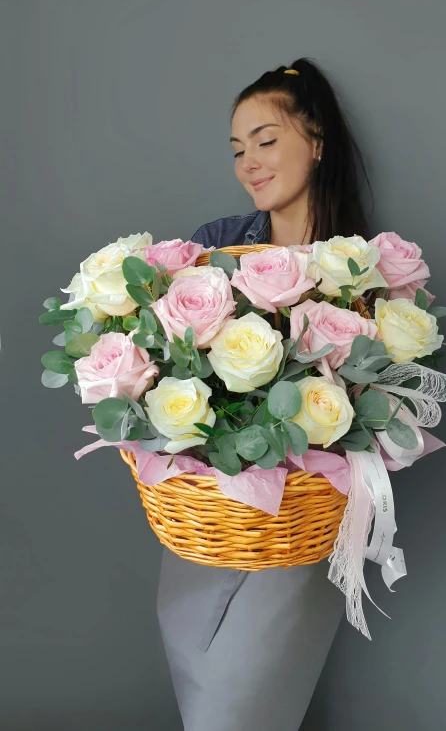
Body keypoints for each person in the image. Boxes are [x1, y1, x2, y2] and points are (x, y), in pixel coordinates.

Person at [157, 57, 374, 731]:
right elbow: (171, 366)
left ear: (315, 139)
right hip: (212, 510)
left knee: (242, 701)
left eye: (266, 139)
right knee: (195, 668)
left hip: (299, 517)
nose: (249, 160)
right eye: (237, 148)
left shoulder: (359, 266)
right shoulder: (217, 246)